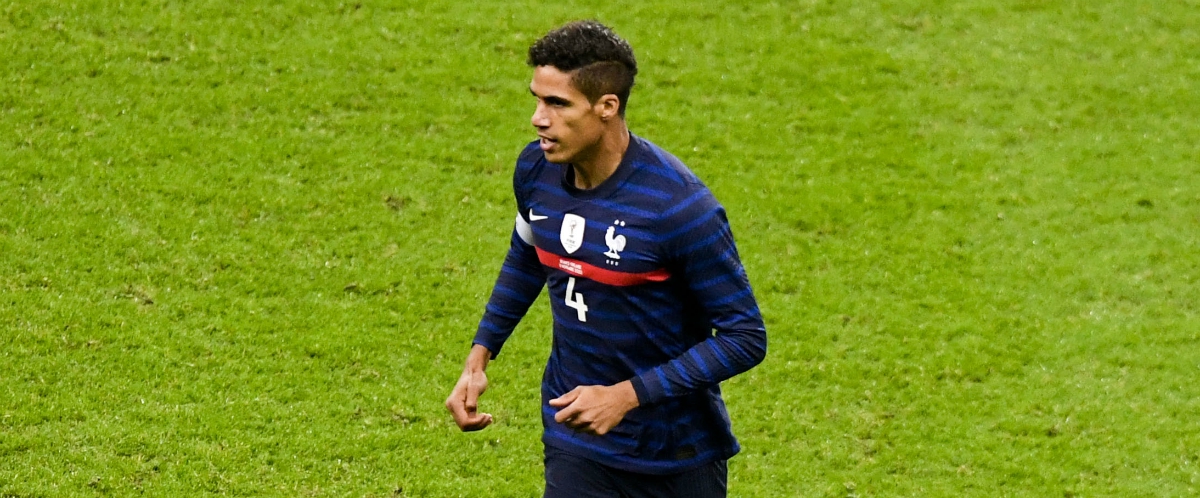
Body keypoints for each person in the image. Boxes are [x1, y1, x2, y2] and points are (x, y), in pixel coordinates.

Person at [445, 20, 767, 498]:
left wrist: (625, 396)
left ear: (607, 107)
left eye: (557, 104)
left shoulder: (677, 207)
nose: (538, 118)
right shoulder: (536, 171)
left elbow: (745, 337)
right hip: (576, 438)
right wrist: (480, 355)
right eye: (537, 99)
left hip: (676, 453)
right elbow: (529, 255)